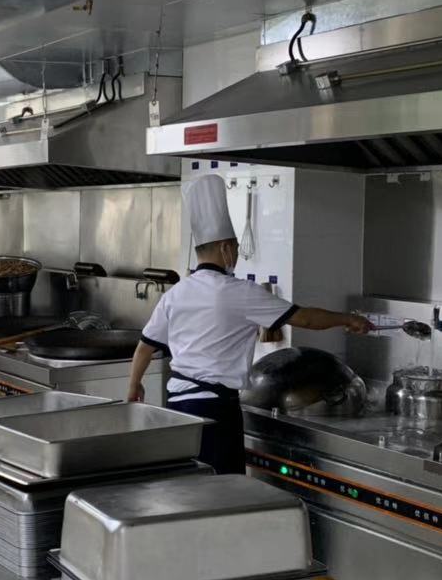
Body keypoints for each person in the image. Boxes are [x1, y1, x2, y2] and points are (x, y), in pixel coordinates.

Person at [126, 174, 372, 474]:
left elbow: (144, 348)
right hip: (214, 410)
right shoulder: (239, 292)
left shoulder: (177, 293)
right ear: (225, 249)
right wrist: (348, 319)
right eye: (236, 248)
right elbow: (305, 318)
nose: (237, 255)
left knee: (189, 488)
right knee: (223, 491)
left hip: (177, 409)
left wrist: (134, 385)